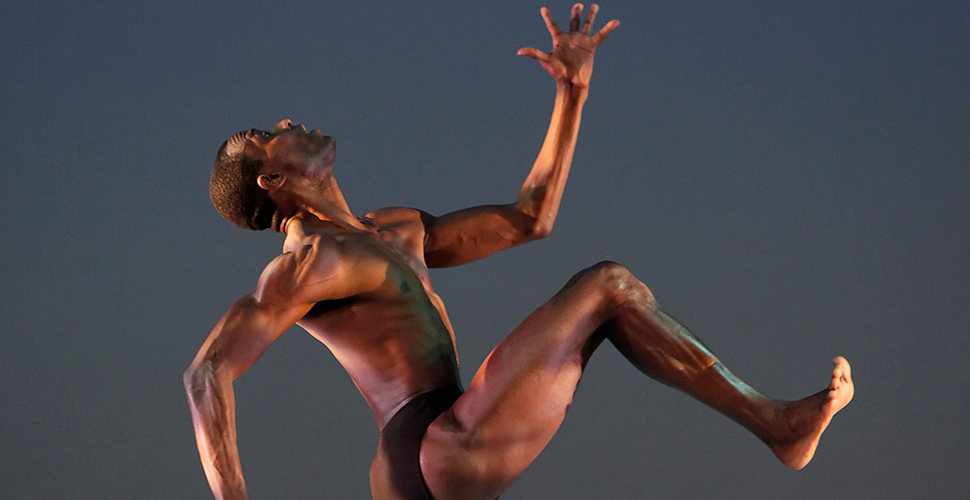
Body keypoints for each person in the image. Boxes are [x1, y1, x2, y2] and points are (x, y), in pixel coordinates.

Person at [184, 4, 854, 500]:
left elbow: (530, 218)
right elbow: (206, 372)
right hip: (429, 449)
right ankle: (777, 425)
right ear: (272, 182)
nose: (289, 122)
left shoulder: (391, 230)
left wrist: (572, 94)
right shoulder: (310, 261)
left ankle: (778, 426)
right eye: (268, 135)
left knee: (611, 294)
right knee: (608, 288)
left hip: (444, 444)